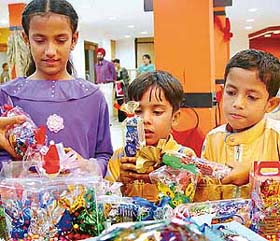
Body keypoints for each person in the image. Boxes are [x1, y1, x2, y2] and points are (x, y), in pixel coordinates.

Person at [0, 0, 113, 176]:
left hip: (80, 200)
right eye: (39, 40)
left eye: (60, 40)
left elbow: (104, 154)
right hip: (24, 201)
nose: (50, 50)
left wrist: (87, 167)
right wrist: (21, 172)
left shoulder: (92, 96)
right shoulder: (8, 95)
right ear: (26, 39)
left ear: (74, 39)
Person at [195, 49, 280, 201]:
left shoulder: (276, 135)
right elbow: (206, 191)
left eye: (252, 97)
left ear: (270, 104)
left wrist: (253, 173)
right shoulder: (213, 139)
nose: (237, 103)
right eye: (231, 92)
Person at [105, 70, 196, 201]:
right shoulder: (120, 158)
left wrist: (161, 178)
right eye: (138, 111)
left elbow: (191, 203)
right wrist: (121, 183)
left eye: (157, 112)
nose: (145, 119)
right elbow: (104, 203)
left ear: (175, 117)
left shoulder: (184, 157)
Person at [95, 48, 116, 119]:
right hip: (99, 85)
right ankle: (102, 118)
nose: (99, 56)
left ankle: (109, 119)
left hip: (108, 84)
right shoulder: (96, 65)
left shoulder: (109, 64)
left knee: (108, 101)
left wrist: (113, 83)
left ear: (103, 55)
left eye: (100, 55)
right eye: (98, 55)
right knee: (101, 101)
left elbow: (114, 74)